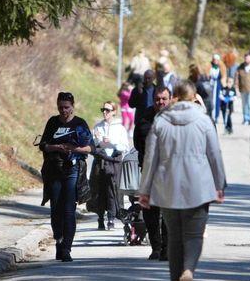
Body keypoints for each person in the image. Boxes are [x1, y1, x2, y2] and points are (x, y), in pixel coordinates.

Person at [139, 82, 226, 281]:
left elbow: (150, 158)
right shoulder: (203, 120)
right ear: (194, 96)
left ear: (175, 97)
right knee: (194, 236)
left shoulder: (160, 122)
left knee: (175, 238)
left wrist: (145, 190)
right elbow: (214, 153)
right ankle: (188, 272)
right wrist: (219, 184)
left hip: (167, 186)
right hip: (199, 186)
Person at [39, 92, 94, 262]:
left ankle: (66, 248)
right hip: (54, 169)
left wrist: (73, 149)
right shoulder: (53, 122)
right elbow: (43, 145)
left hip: (73, 170)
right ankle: (59, 240)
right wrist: (57, 147)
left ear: (73, 106)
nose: (63, 111)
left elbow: (90, 148)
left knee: (69, 209)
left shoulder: (80, 124)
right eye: (60, 107)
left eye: (66, 107)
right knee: (56, 208)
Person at [133, 86, 171, 261]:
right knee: (150, 211)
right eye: (157, 99)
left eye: (164, 99)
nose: (160, 102)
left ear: (170, 99)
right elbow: (137, 142)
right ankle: (156, 247)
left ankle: (167, 248)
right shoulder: (145, 117)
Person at [92, 101, 129, 230]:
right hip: (100, 161)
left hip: (114, 162)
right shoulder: (97, 127)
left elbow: (125, 146)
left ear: (114, 112)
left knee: (112, 190)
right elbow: (93, 144)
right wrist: (98, 141)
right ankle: (100, 218)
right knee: (99, 190)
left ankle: (111, 218)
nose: (104, 112)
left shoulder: (120, 128)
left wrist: (111, 142)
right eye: (103, 109)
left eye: (107, 110)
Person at [205, 54, 227, 123]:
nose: (215, 61)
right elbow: (207, 75)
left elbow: (223, 76)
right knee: (210, 100)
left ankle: (216, 116)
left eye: (217, 60)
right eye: (214, 60)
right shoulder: (209, 67)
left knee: (217, 101)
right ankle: (209, 115)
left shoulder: (221, 68)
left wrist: (223, 85)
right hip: (210, 85)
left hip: (217, 85)